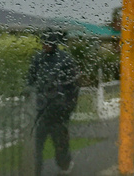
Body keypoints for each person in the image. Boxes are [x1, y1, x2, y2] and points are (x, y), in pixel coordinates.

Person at [27, 29, 80, 176]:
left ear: (55, 43)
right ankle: (35, 171)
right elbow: (30, 80)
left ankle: (64, 166)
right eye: (44, 42)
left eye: (48, 42)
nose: (45, 45)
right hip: (42, 111)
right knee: (36, 145)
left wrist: (68, 108)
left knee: (60, 145)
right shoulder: (38, 59)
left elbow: (73, 87)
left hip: (59, 113)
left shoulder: (65, 60)